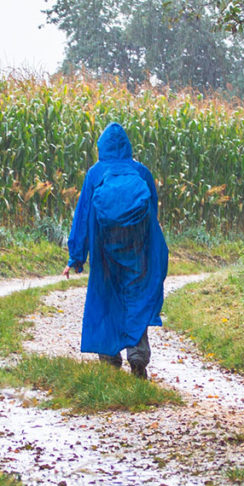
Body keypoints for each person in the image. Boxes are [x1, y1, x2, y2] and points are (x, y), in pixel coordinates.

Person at [62, 122, 168, 380]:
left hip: (105, 250)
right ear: (127, 146)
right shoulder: (141, 172)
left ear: (102, 147)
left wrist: (76, 256)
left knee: (107, 299)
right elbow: (152, 214)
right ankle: (138, 357)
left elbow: (83, 214)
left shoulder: (96, 174)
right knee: (136, 298)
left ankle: (110, 361)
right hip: (138, 250)